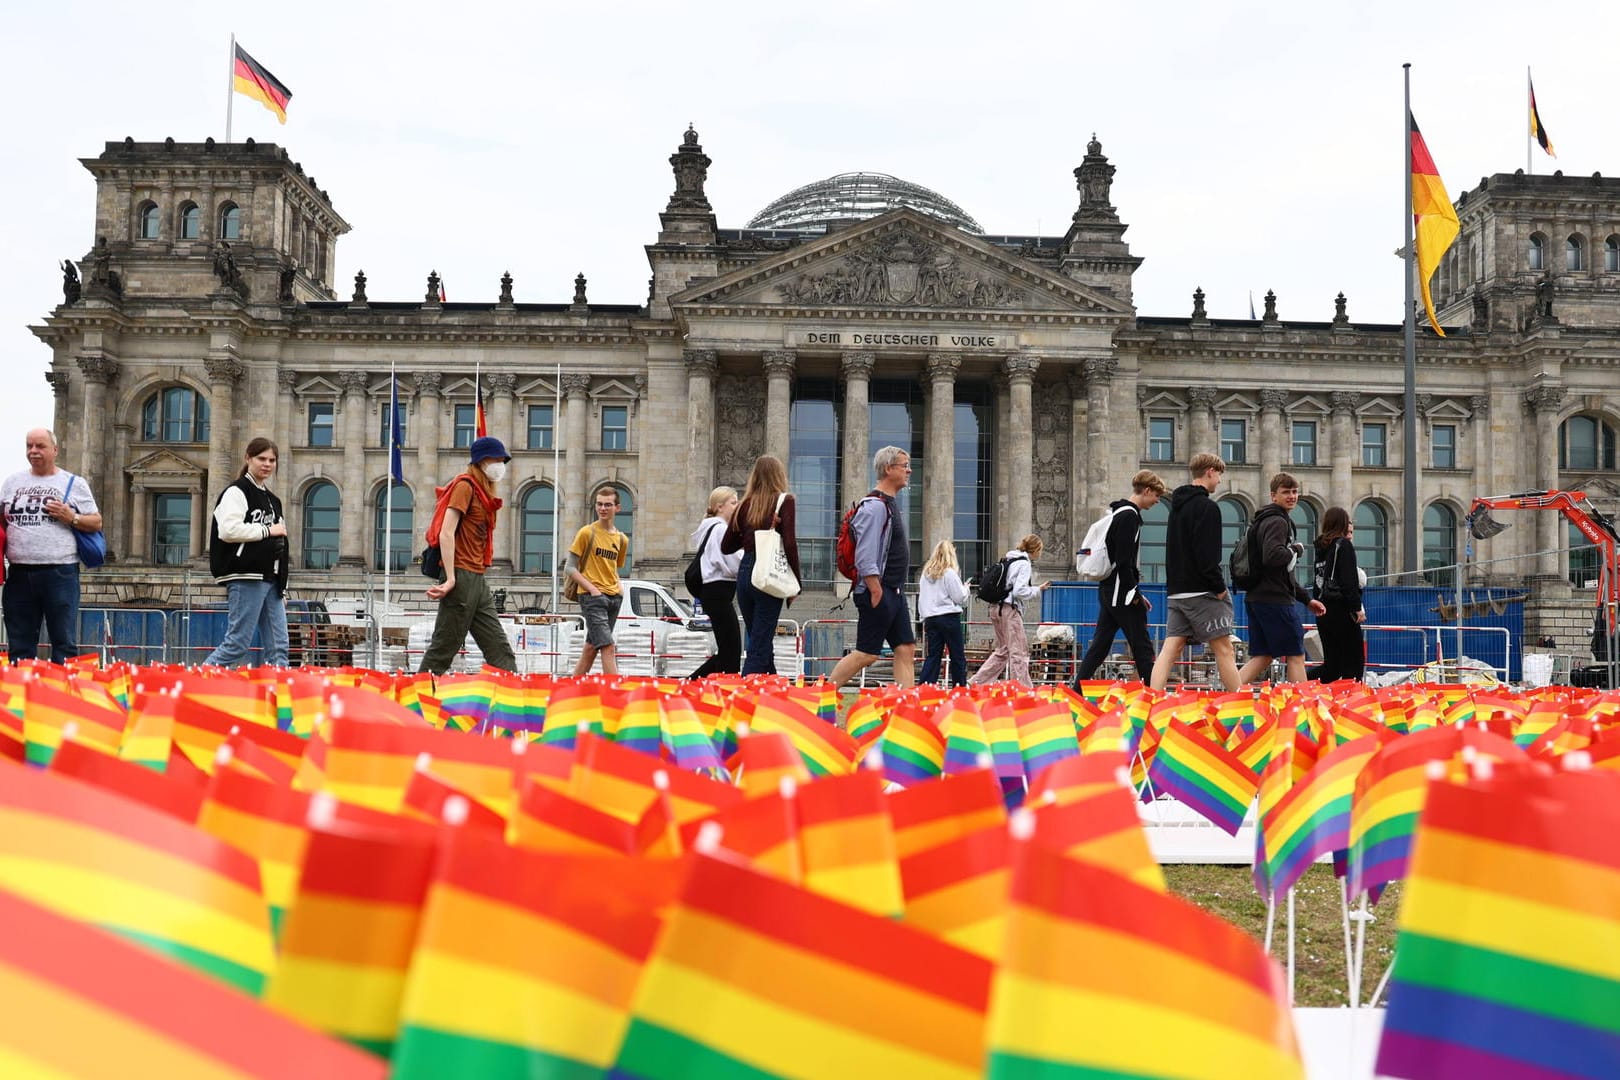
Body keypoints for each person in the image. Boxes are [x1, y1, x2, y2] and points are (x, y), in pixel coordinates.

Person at [1, 429, 102, 663]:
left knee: (63, 643)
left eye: (40, 446)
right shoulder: (12, 482)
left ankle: (61, 697)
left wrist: (71, 517)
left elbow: (96, 522)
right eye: (29, 446)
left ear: (54, 450)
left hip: (60, 573)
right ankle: (23, 695)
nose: (33, 451)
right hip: (19, 573)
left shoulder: (73, 483)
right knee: (19, 644)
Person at [419, 436, 517, 676]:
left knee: (499, 648)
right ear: (482, 461)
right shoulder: (465, 486)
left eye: (503, 460)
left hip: (476, 577)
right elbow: (446, 533)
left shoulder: (484, 494)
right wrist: (450, 579)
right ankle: (414, 702)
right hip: (461, 575)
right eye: (496, 459)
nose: (500, 465)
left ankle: (511, 705)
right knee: (444, 647)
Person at [1149, 453, 1242, 691]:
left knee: (1170, 649)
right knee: (1224, 648)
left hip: (1177, 591)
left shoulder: (1176, 508)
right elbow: (1207, 554)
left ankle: (1151, 699)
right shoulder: (1208, 508)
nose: (1219, 481)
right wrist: (1219, 587)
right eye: (1219, 474)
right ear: (1210, 471)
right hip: (1202, 591)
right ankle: (1241, 704)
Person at [828, 447, 916, 689]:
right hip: (879, 591)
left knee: (905, 649)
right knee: (867, 653)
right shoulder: (875, 506)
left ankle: (907, 708)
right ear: (888, 469)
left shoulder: (889, 504)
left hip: (894, 592)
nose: (909, 470)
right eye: (904, 465)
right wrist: (875, 589)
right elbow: (865, 554)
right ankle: (819, 696)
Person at [1074, 469, 1167, 685]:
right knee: (1142, 647)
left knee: (1100, 646)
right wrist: (1134, 592)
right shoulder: (1130, 517)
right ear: (1146, 490)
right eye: (1156, 496)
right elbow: (1125, 561)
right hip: (1121, 593)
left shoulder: (1117, 513)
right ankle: (1153, 697)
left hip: (1109, 590)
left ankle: (1076, 691)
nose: (1157, 501)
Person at [203, 437, 290, 668]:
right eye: (261, 458)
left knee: (279, 646)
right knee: (237, 643)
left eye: (272, 460)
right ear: (248, 458)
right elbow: (228, 530)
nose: (267, 464)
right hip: (245, 574)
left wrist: (283, 585)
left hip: (271, 579)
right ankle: (197, 682)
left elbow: (280, 545)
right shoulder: (236, 491)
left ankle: (278, 697)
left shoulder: (273, 500)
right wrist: (267, 530)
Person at [1236, 473, 1328, 685]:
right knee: (1296, 654)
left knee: (1264, 655)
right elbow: (1273, 557)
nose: (1292, 496)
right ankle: (1301, 706)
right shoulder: (1278, 521)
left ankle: (1227, 695)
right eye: (1286, 492)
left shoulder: (1261, 521)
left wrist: (1306, 599)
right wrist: (1295, 549)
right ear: (1273, 495)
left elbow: (1281, 572)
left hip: (1257, 598)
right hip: (1275, 600)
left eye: (1295, 492)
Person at [722, 455, 801, 676]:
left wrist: (751, 532)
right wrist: (796, 583)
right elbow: (790, 543)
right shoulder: (784, 501)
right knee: (759, 642)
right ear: (779, 475)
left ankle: (772, 691)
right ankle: (745, 694)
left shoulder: (744, 504)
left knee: (760, 638)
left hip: (746, 573)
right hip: (768, 574)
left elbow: (726, 546)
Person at [969, 534, 1049, 687]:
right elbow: (1019, 591)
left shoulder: (1009, 559)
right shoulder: (1024, 564)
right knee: (1018, 651)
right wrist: (1037, 590)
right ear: (1036, 549)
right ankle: (1022, 689)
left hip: (995, 608)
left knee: (1003, 650)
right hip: (1009, 610)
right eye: (1040, 550)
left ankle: (976, 682)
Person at [567, 484, 630, 676]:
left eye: (608, 505)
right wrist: (593, 590)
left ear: (617, 508)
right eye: (599, 504)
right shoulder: (587, 532)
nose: (603, 508)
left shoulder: (621, 539)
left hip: (613, 598)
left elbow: (613, 568)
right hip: (592, 598)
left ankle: (569, 689)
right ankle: (614, 695)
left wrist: (619, 589)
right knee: (608, 646)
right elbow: (569, 567)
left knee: (591, 647)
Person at [686, 485, 743, 679]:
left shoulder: (711, 528)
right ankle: (692, 683)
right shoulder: (720, 529)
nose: (737, 507)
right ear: (720, 506)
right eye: (733, 503)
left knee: (728, 648)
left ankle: (696, 683)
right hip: (718, 591)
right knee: (731, 649)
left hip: (714, 592)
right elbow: (730, 560)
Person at [1307, 506, 1366, 682]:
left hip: (1324, 611)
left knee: (1332, 665)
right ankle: (1350, 701)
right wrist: (1357, 608)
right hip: (1342, 611)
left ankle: (1300, 683)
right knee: (1354, 663)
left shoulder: (1321, 548)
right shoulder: (1343, 546)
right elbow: (1349, 582)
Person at [918, 539, 970, 687]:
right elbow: (959, 597)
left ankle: (925, 687)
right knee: (957, 655)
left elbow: (923, 597)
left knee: (933, 655)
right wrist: (965, 588)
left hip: (931, 618)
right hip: (948, 616)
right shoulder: (949, 573)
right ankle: (959, 687)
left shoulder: (925, 575)